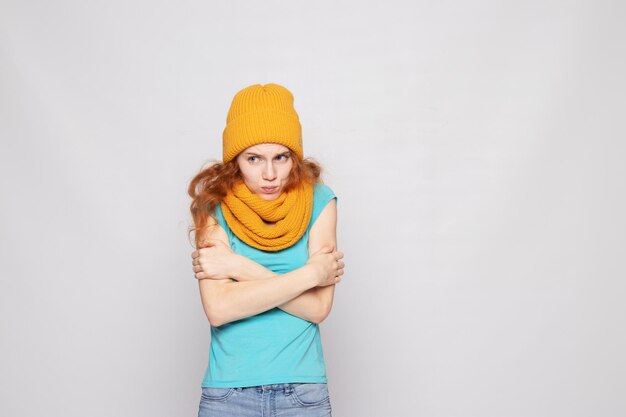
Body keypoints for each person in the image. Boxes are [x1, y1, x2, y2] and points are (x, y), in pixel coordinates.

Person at [187, 83, 344, 417]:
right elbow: (219, 309)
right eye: (254, 158)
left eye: (281, 157)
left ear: (294, 158)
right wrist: (310, 275)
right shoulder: (214, 206)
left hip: (304, 394)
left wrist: (237, 267)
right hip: (228, 395)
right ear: (235, 160)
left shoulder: (319, 201)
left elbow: (317, 308)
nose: (269, 174)